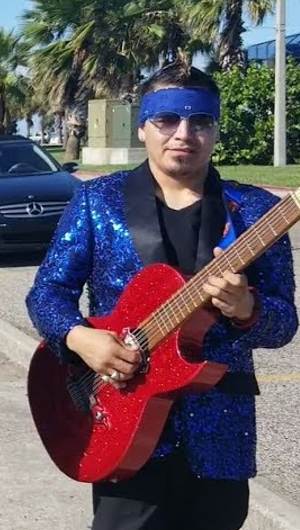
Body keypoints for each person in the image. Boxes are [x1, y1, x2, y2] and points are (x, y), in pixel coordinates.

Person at [26, 64, 298, 530]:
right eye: (167, 119)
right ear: (142, 127)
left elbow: (285, 322)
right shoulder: (98, 201)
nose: (183, 134)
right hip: (119, 415)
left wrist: (249, 311)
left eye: (201, 121)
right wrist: (78, 338)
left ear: (216, 129)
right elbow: (47, 292)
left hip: (219, 432)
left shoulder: (257, 211)